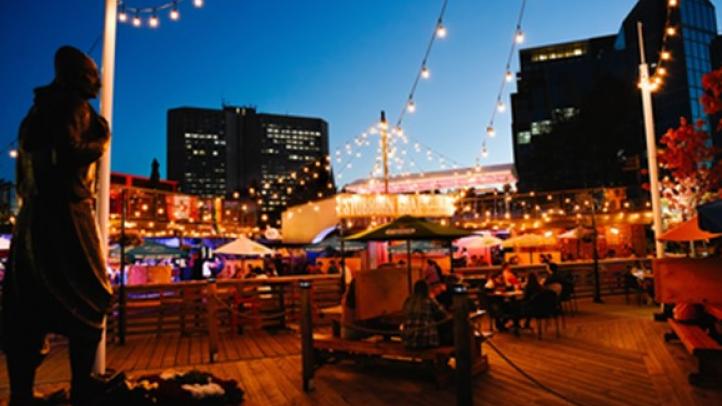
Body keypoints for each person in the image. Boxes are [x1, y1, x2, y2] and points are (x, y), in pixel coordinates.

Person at [1, 46, 113, 405]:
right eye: (93, 74)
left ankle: (21, 392)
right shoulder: (72, 107)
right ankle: (83, 385)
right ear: (80, 76)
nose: (97, 81)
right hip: (66, 216)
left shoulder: (36, 112)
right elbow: (67, 153)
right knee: (92, 296)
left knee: (25, 310)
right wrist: (101, 140)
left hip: (32, 222)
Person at [401, 280, 448, 349]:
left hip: (408, 341)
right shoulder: (429, 300)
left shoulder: (408, 300)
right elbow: (443, 315)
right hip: (426, 341)